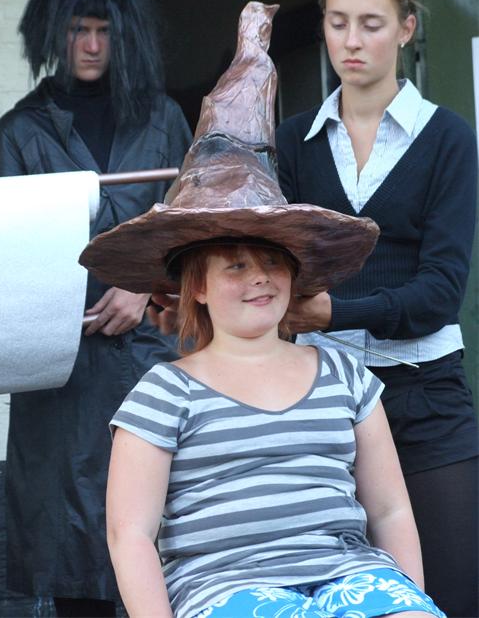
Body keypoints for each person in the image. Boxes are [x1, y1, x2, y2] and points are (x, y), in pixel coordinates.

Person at [275, 0, 478, 616]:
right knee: (334, 597)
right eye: (338, 23)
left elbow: (439, 294)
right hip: (318, 399)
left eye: (371, 24)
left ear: (406, 29)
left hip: (423, 395)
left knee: (453, 590)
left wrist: (332, 312)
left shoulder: (448, 138)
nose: (352, 41)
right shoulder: (292, 142)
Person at [104, 235, 446, 618]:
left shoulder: (344, 373)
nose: (260, 277)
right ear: (198, 286)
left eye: (272, 262)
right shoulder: (166, 390)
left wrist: (412, 601)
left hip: (350, 572)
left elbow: (389, 510)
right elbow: (130, 534)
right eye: (237, 266)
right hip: (224, 584)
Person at [0, 0, 191, 616]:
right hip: (60, 371)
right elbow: (7, 260)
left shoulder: (163, 120)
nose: (92, 44)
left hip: (150, 361)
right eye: (79, 28)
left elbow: (198, 232)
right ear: (55, 31)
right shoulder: (19, 132)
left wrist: (144, 284)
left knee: (161, 549)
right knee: (72, 557)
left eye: (105, 30)